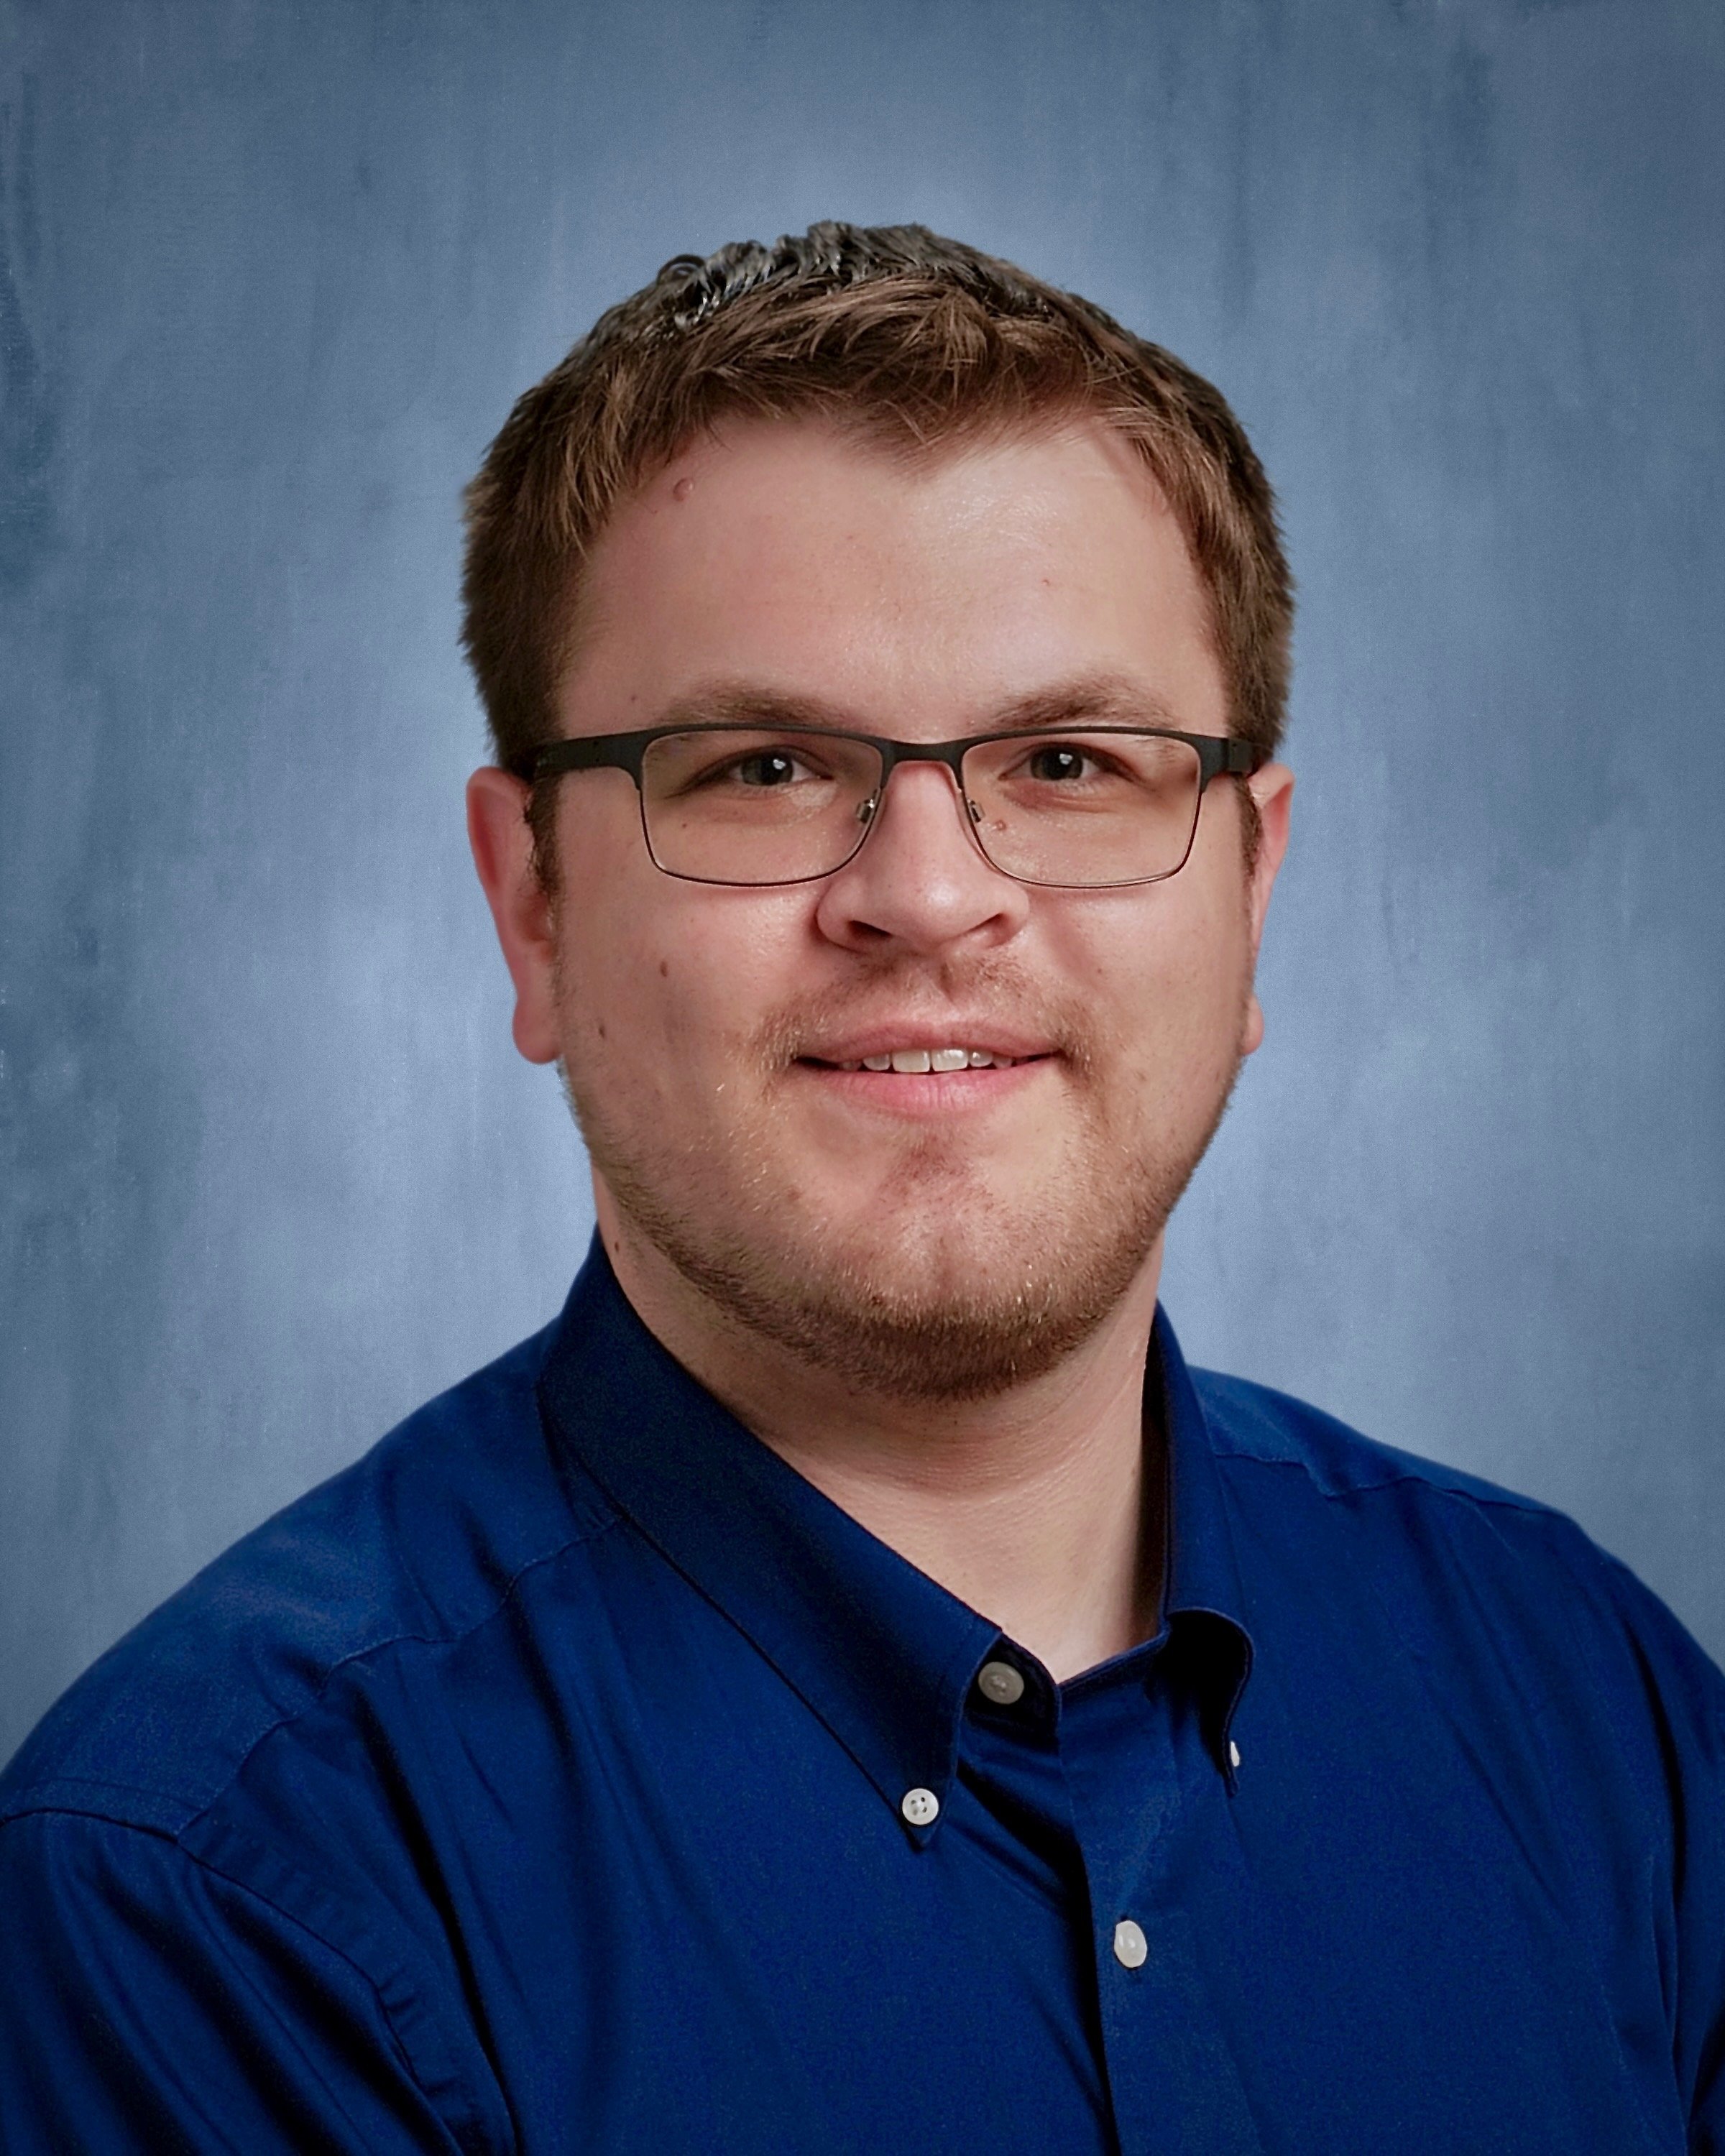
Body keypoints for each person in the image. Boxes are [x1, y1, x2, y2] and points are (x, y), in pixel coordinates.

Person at [0, 221, 1719, 2155]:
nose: (926, 895)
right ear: (533, 908)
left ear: (1253, 893)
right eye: (763, 767)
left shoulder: (1603, 1712)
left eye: (1069, 759)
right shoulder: (213, 1902)